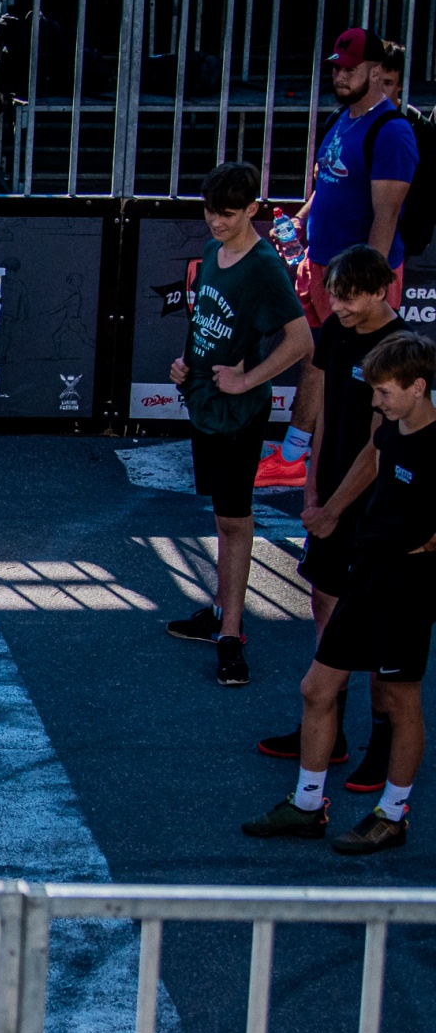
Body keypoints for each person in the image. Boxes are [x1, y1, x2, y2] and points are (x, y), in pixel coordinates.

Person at [241, 331, 436, 857]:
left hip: (408, 586)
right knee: (316, 688)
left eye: (385, 393)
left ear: (418, 387)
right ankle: (308, 805)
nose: (376, 402)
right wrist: (330, 512)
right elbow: (373, 463)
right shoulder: (391, 428)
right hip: (366, 574)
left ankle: (392, 815)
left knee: (400, 699)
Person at [153, 161, 313, 681]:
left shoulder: (264, 265)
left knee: (235, 518)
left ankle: (231, 632)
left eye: (227, 214)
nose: (216, 222)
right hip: (205, 401)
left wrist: (248, 381)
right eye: (210, 212)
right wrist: (185, 364)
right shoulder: (211, 252)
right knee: (222, 515)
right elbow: (203, 321)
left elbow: (301, 341)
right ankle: (221, 611)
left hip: (239, 411)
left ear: (252, 210)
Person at [256, 247, 406, 780]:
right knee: (325, 602)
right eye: (335, 296)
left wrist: (333, 510)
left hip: (375, 506)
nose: (336, 307)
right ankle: (327, 729)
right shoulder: (337, 331)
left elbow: (377, 447)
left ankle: (383, 747)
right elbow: (324, 415)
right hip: (330, 501)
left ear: (380, 291)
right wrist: (311, 491)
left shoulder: (398, 349)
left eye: (349, 298)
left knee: (379, 628)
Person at [276, 29, 422, 470]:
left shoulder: (391, 131)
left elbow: (387, 215)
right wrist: (301, 220)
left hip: (357, 280)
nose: (340, 75)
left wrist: (366, 285)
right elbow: (328, 184)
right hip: (320, 265)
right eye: (336, 67)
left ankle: (363, 470)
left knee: (364, 379)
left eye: (350, 68)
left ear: (376, 72)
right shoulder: (342, 118)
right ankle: (294, 456)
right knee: (315, 360)